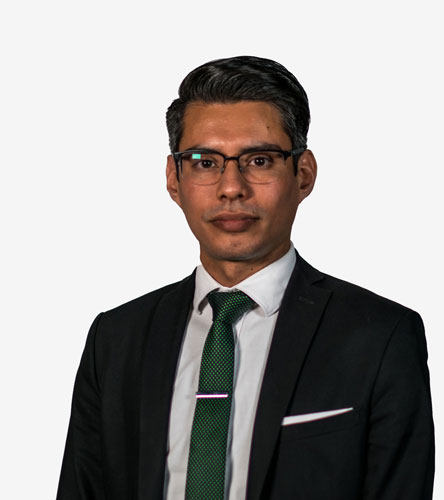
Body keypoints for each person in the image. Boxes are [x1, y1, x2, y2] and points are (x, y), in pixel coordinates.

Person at [56, 56, 434, 500]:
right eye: (204, 162)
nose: (232, 187)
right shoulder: (116, 339)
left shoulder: (382, 336)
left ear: (303, 174)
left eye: (259, 159)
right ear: (174, 179)